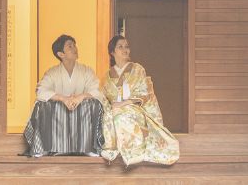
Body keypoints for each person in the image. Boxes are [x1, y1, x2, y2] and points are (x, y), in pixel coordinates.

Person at [100, 35, 180, 166]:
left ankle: (134, 152)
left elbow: (144, 93)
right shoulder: (106, 76)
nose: (125, 49)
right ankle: (113, 148)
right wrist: (111, 106)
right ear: (112, 52)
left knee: (121, 116)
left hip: (135, 108)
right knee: (108, 116)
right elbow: (103, 98)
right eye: (120, 47)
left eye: (127, 46)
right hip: (114, 109)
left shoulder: (137, 69)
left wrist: (123, 104)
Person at [22, 34, 105, 157]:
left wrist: (80, 97)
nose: (75, 48)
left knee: (94, 102)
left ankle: (88, 147)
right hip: (59, 113)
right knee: (42, 104)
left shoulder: (87, 71)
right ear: (61, 54)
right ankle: (48, 146)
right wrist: (63, 99)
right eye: (70, 46)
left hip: (82, 110)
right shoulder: (52, 73)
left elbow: (97, 91)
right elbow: (41, 91)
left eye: (75, 45)